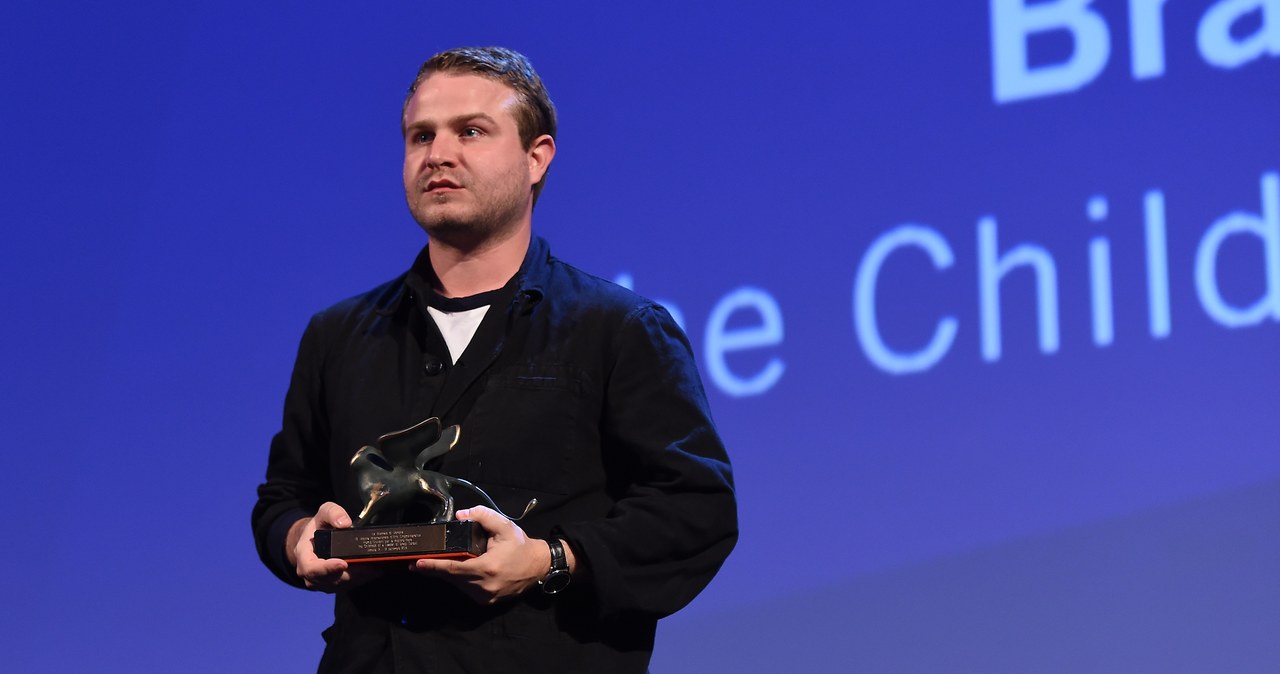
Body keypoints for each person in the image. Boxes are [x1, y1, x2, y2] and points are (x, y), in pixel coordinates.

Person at [251, 46, 738, 673]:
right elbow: (284, 497)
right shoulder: (339, 335)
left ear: (537, 159)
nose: (438, 154)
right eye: (420, 136)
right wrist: (298, 540)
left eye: (471, 132)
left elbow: (695, 508)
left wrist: (549, 559)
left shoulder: (617, 329)